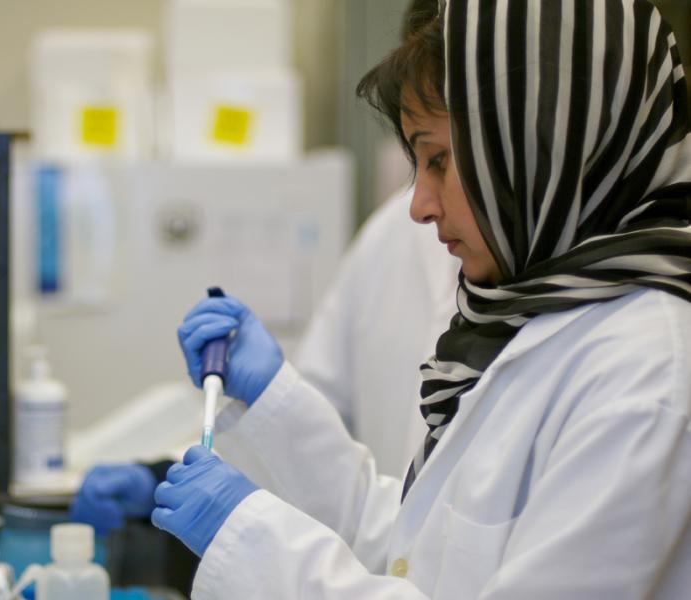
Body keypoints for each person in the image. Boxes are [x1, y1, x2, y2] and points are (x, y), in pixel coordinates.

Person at [153, 1, 691, 598]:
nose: (419, 206)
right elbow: (416, 548)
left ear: (541, 144)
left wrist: (252, 536)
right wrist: (275, 400)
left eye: (439, 159)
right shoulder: (538, 318)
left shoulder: (645, 380)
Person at [70, 0, 460, 532]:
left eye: (439, 158)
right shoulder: (394, 233)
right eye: (423, 158)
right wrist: (165, 474)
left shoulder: (583, 333)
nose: (422, 204)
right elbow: (315, 440)